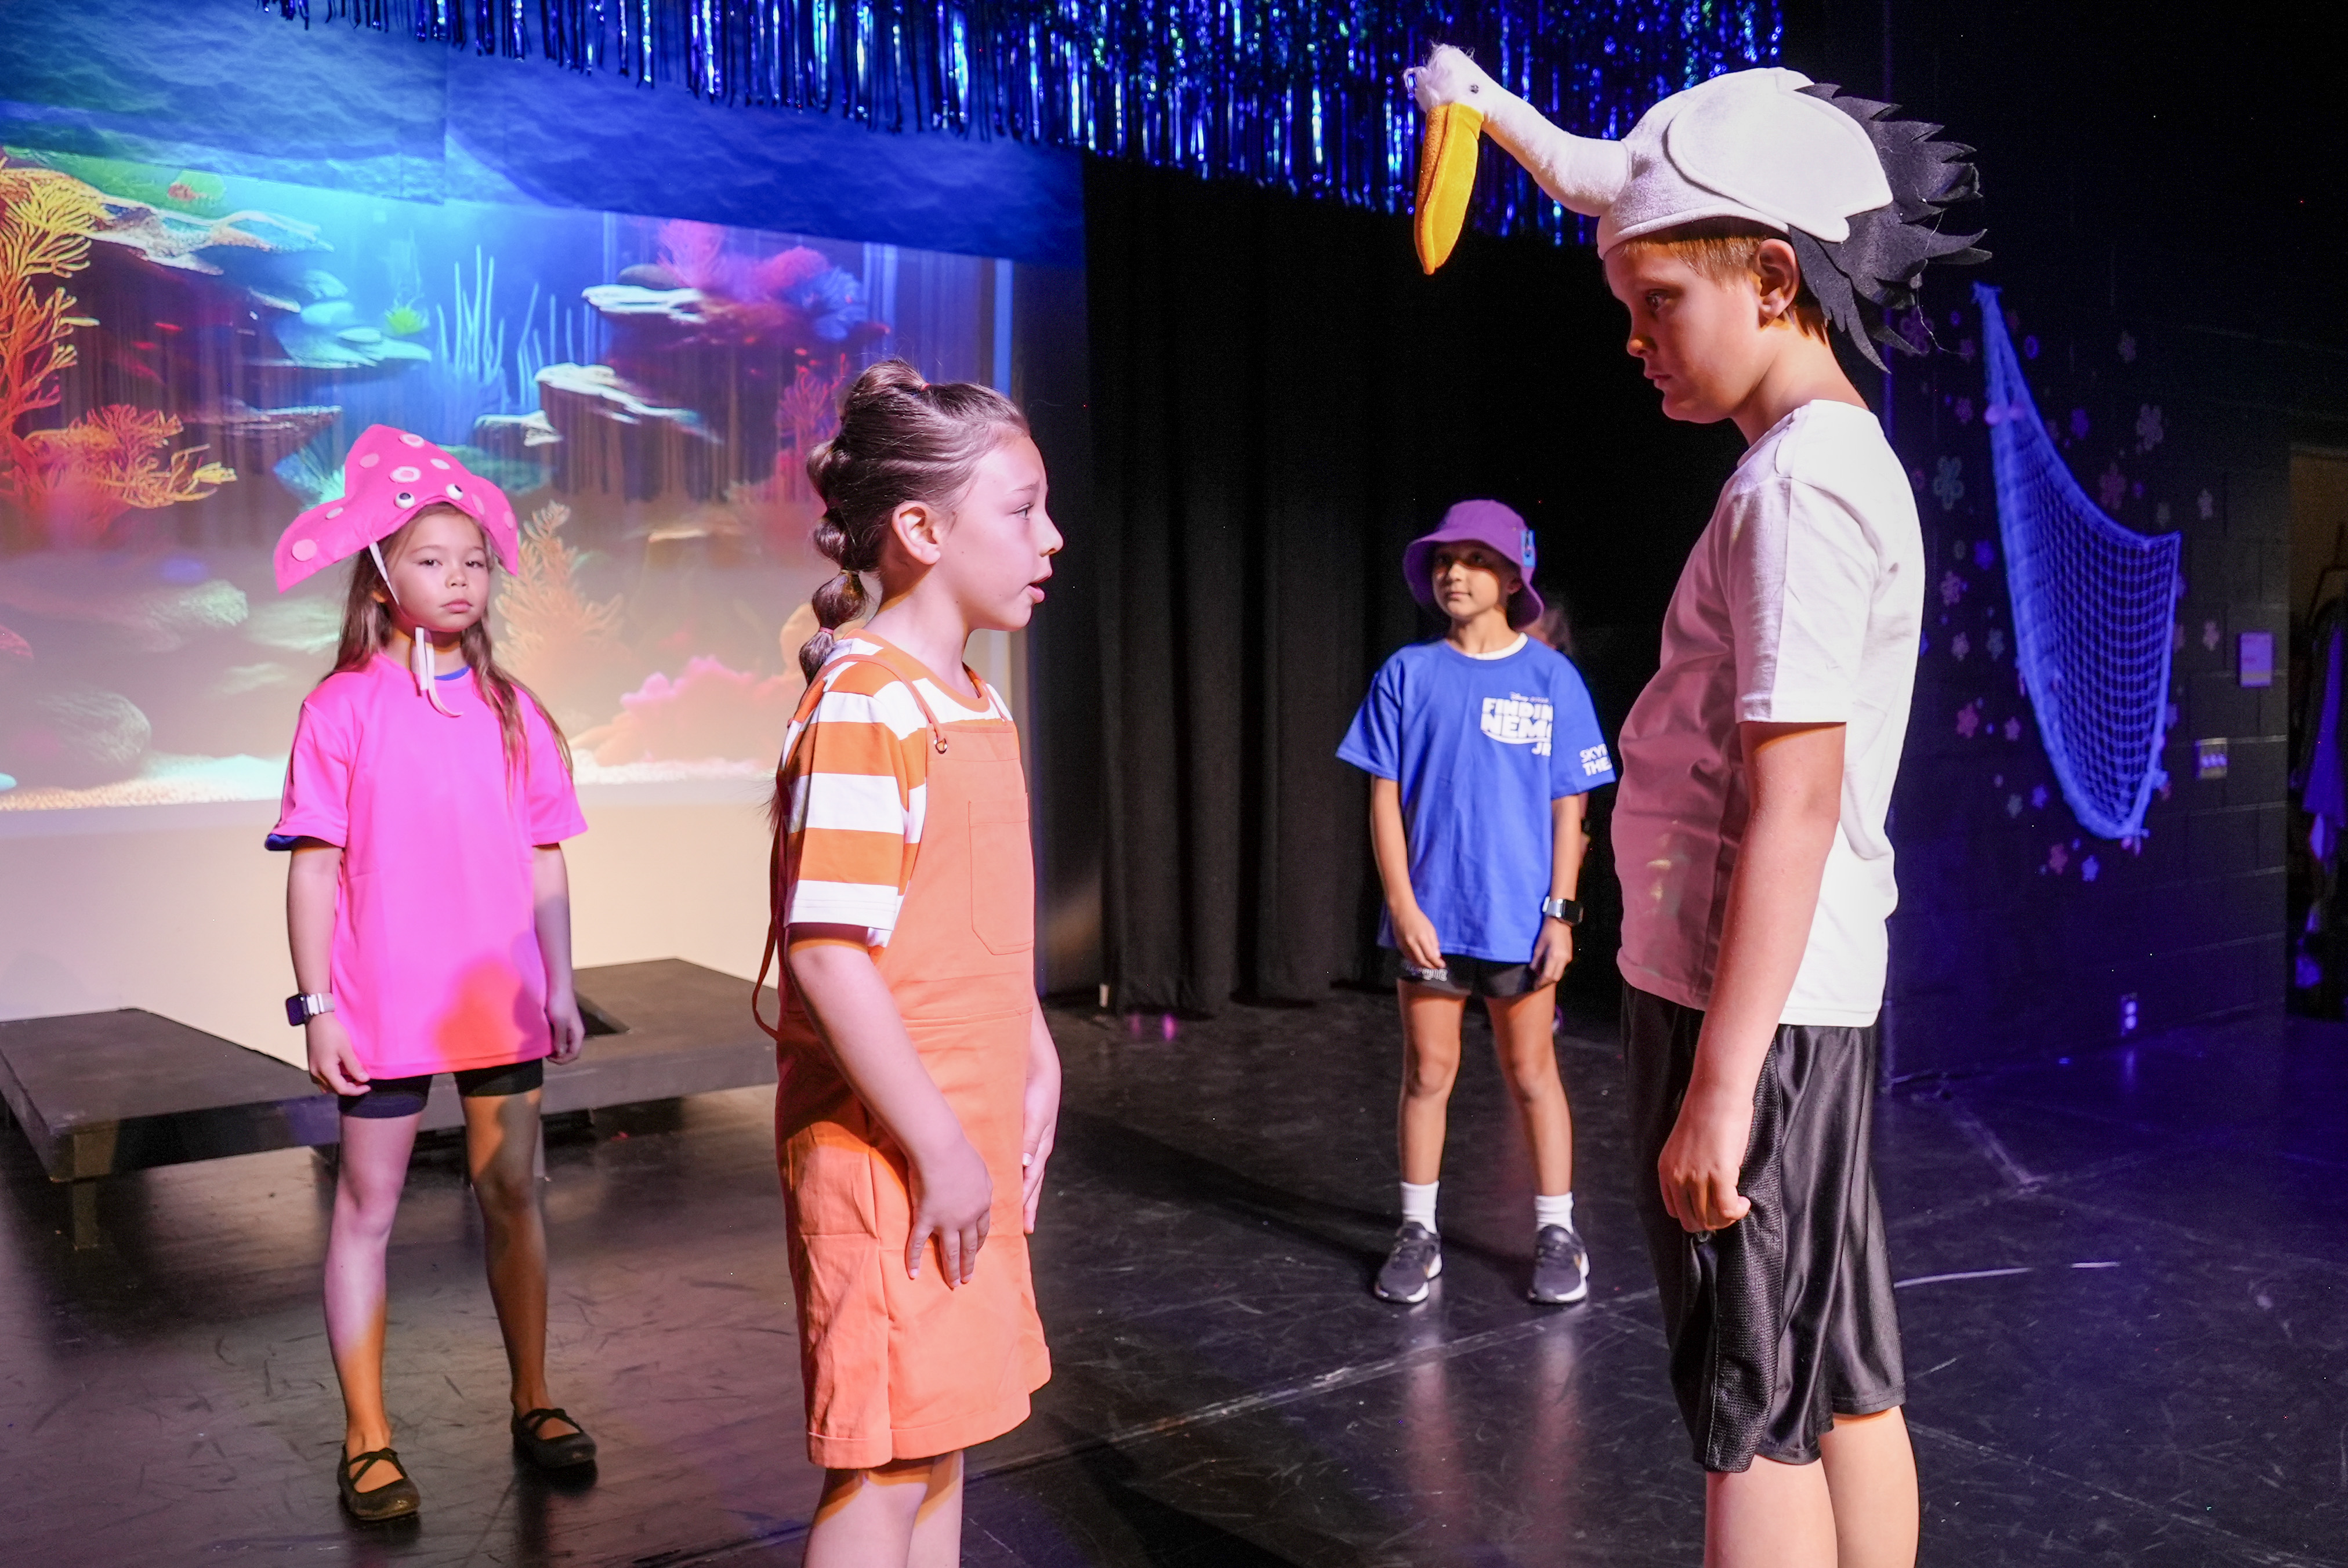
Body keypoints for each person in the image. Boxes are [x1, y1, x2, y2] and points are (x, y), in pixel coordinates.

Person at [1409, 48, 1985, 1568]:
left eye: (1658, 302)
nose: (1634, 341)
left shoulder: (1798, 488)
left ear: (1775, 280)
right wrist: (1493, 112)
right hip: (1793, 1010)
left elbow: (1794, 801)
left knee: (1754, 1409)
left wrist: (1721, 1088)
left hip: (1752, 1016)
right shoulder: (1823, 465)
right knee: (1836, 1375)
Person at [756, 360, 1061, 1568]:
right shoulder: (864, 704)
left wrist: (1033, 1049)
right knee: (883, 1461)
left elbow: (980, 922)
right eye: (1022, 510)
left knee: (942, 1439)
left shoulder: (973, 699)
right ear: (923, 531)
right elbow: (828, 955)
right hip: (888, 1149)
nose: (1050, 536)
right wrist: (936, 1144)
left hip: (958, 1133)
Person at [269, 426, 595, 1523]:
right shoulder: (341, 707)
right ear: (381, 575)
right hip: (383, 1003)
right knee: (368, 1209)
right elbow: (315, 868)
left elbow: (544, 858)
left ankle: (534, 1398)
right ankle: (368, 1438)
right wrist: (317, 1007)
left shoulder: (514, 709)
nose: (459, 579)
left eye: (475, 562)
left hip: (499, 998)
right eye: (431, 560)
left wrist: (560, 983)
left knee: (514, 1194)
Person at [1338, 500, 1617, 1308]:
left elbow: (1570, 807)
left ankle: (1557, 1232)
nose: (1453, 573)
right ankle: (1417, 1231)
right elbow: (1383, 800)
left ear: (1511, 577)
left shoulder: (1551, 679)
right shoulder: (1407, 674)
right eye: (1443, 560)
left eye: (1473, 559)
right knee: (1427, 1072)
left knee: (1532, 1073)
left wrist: (1560, 915)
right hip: (1432, 921)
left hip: (1520, 925)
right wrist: (1404, 907)